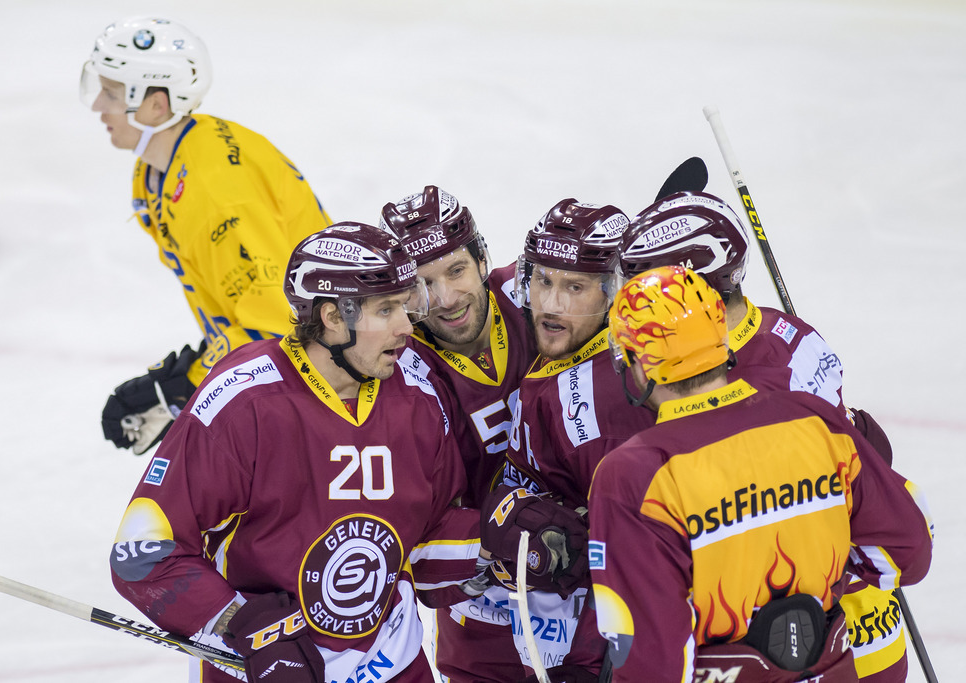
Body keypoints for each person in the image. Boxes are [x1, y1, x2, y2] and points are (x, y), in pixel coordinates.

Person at [110, 223, 483, 683]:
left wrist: (501, 544)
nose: (407, 326)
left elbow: (428, 535)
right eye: (386, 310)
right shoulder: (245, 402)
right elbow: (143, 552)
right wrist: (240, 626)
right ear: (331, 317)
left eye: (405, 306)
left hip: (393, 666)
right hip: (272, 672)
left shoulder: (417, 393)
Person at [588, 265, 933, 682]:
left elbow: (650, 659)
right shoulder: (814, 420)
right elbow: (908, 554)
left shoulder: (634, 476)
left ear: (637, 366)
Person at [81, 16, 332, 455]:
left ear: (156, 106)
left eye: (113, 93)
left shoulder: (213, 190)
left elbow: (277, 327)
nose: (98, 105)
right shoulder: (158, 168)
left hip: (322, 385)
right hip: (294, 371)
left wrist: (188, 385)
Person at [479, 199, 656, 680]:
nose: (552, 305)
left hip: (589, 644)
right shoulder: (579, 354)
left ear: (612, 294)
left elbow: (637, 554)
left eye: (574, 287)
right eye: (543, 281)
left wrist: (588, 666)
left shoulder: (602, 399)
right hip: (540, 627)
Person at [380, 185, 536, 682]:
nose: (445, 300)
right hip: (483, 615)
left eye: (456, 270)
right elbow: (416, 535)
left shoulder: (539, 297)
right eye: (421, 286)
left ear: (483, 258)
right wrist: (496, 545)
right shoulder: (396, 375)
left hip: (591, 586)